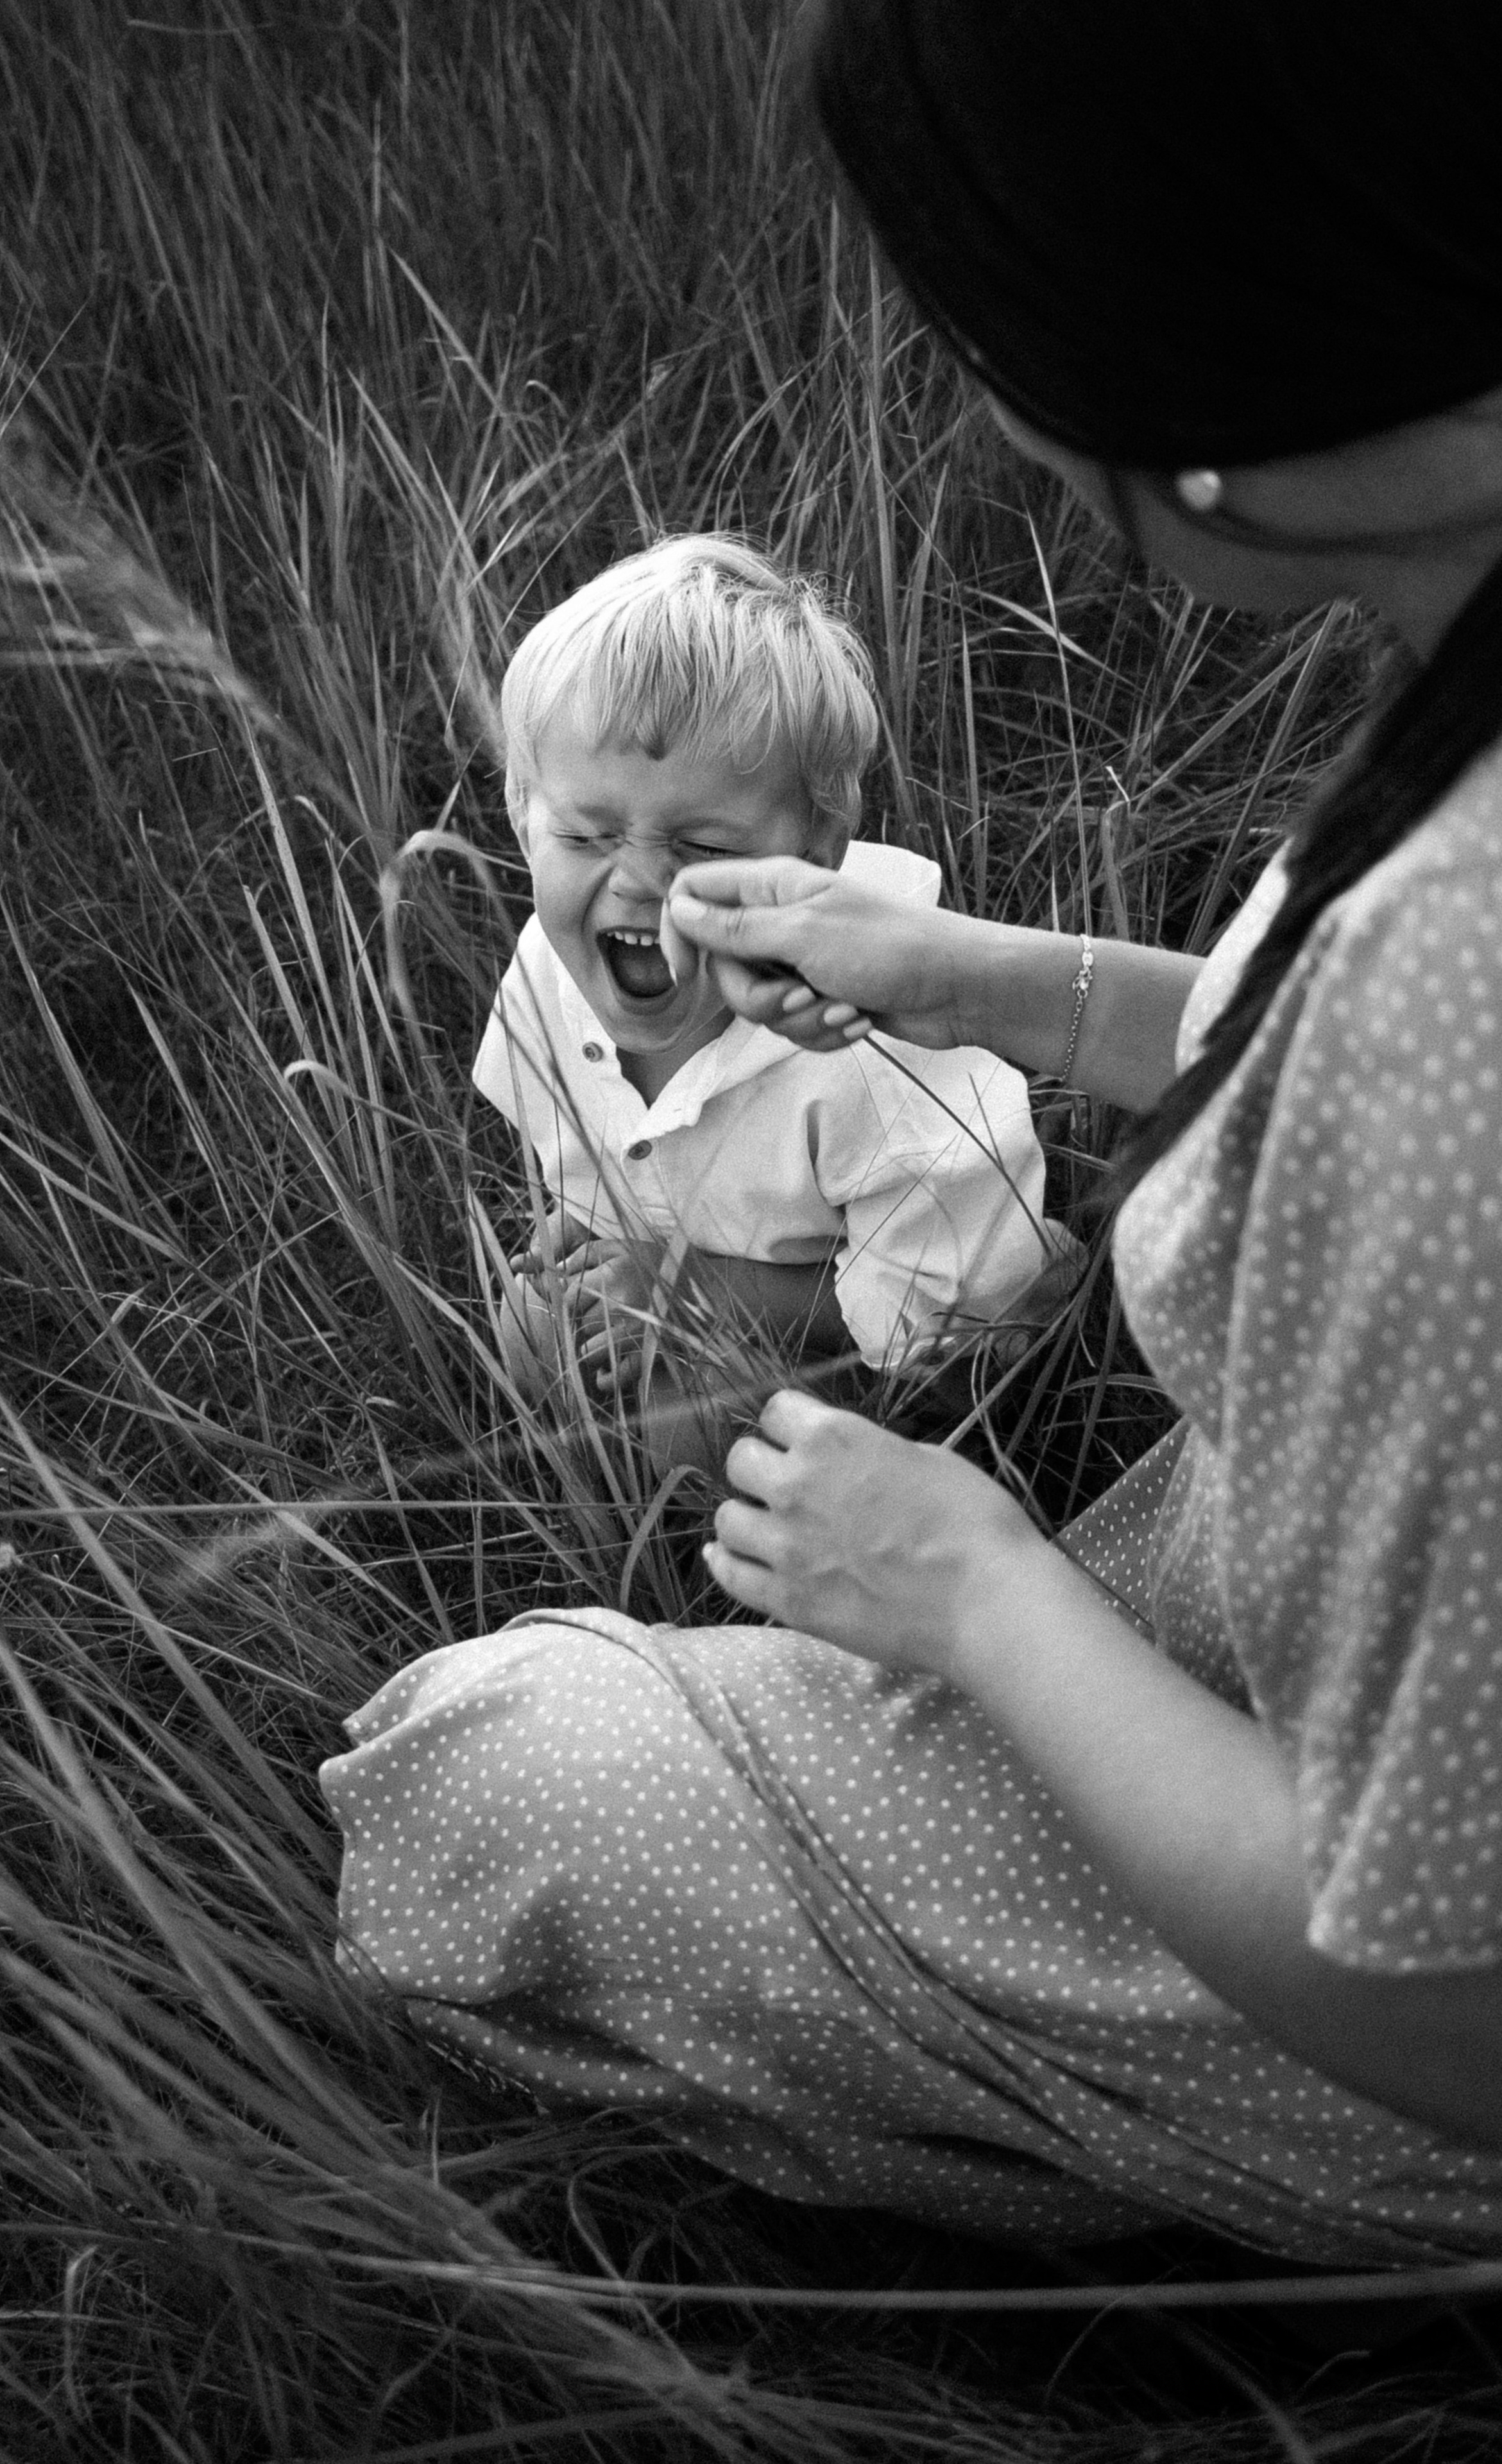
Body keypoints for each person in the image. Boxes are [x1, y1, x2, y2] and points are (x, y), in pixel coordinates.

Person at [320, 0, 1502, 2264]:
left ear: (1209, 388)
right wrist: (989, 978)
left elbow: (1456, 2005)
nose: (985, 408)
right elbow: (1355, 1059)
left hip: (1396, 2002)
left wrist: (975, 1585)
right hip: (1336, 1605)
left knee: (485, 1776)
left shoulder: (1460, 978)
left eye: (992, 325)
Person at [475, 533, 1058, 1457]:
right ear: (523, 814)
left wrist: (685, 1284)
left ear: (816, 855)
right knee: (529, 1325)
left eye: (704, 848)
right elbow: (594, 1155)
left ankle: (758, 1545)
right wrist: (589, 1228)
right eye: (586, 836)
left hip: (906, 1356)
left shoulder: (876, 1054)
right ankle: (623, 1499)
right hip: (696, 1280)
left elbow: (946, 1326)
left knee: (687, 1427)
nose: (640, 883)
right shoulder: (550, 973)